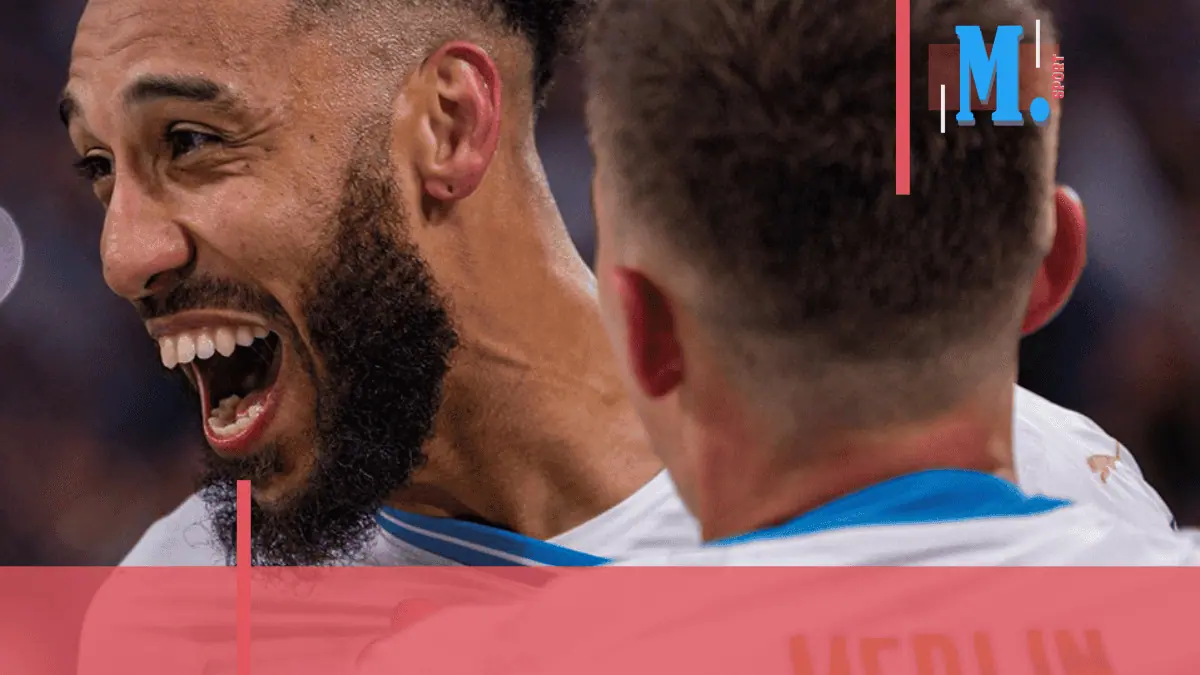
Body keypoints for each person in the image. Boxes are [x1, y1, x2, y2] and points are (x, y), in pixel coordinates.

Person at [62, 0, 1169, 575]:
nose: (125, 254)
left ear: (447, 123)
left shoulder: (1031, 486)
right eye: (99, 168)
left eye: (192, 141)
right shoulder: (178, 610)